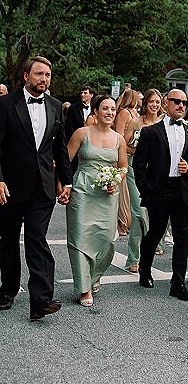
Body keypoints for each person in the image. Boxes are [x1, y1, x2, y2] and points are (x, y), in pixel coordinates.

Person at [0, 56, 72, 320]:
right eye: (39, 74)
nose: (44, 79)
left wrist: (67, 180)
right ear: (26, 75)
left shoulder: (54, 105)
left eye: (48, 75)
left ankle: (41, 301)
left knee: (37, 239)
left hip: (43, 187)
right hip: (9, 186)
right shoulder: (6, 104)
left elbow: (60, 147)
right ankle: (7, 290)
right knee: (7, 240)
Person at [133, 89, 188, 301]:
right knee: (155, 232)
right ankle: (144, 269)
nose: (181, 105)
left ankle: (178, 283)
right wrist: (146, 191)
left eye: (184, 102)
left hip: (183, 190)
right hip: (159, 191)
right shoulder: (151, 132)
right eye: (176, 101)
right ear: (166, 103)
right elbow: (139, 165)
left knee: (182, 238)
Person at [66, 95, 128, 306]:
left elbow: (123, 167)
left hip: (108, 195)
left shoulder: (119, 139)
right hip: (83, 191)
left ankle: (94, 275)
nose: (110, 112)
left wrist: (117, 179)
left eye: (113, 109)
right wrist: (63, 187)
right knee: (80, 238)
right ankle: (84, 288)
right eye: (105, 108)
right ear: (95, 111)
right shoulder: (81, 133)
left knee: (108, 240)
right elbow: (67, 162)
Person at [122, 88, 163, 272]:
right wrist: (138, 150)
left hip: (157, 173)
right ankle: (134, 257)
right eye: (151, 101)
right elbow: (122, 146)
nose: (154, 105)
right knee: (138, 214)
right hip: (135, 171)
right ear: (144, 103)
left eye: (157, 102)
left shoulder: (163, 123)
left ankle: (148, 249)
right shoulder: (135, 122)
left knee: (154, 213)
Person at [113, 89, 140, 236]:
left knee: (132, 192)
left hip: (135, 156)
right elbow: (119, 133)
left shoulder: (135, 114)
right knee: (123, 191)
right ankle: (121, 222)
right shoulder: (124, 113)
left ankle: (129, 222)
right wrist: (130, 146)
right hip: (126, 155)